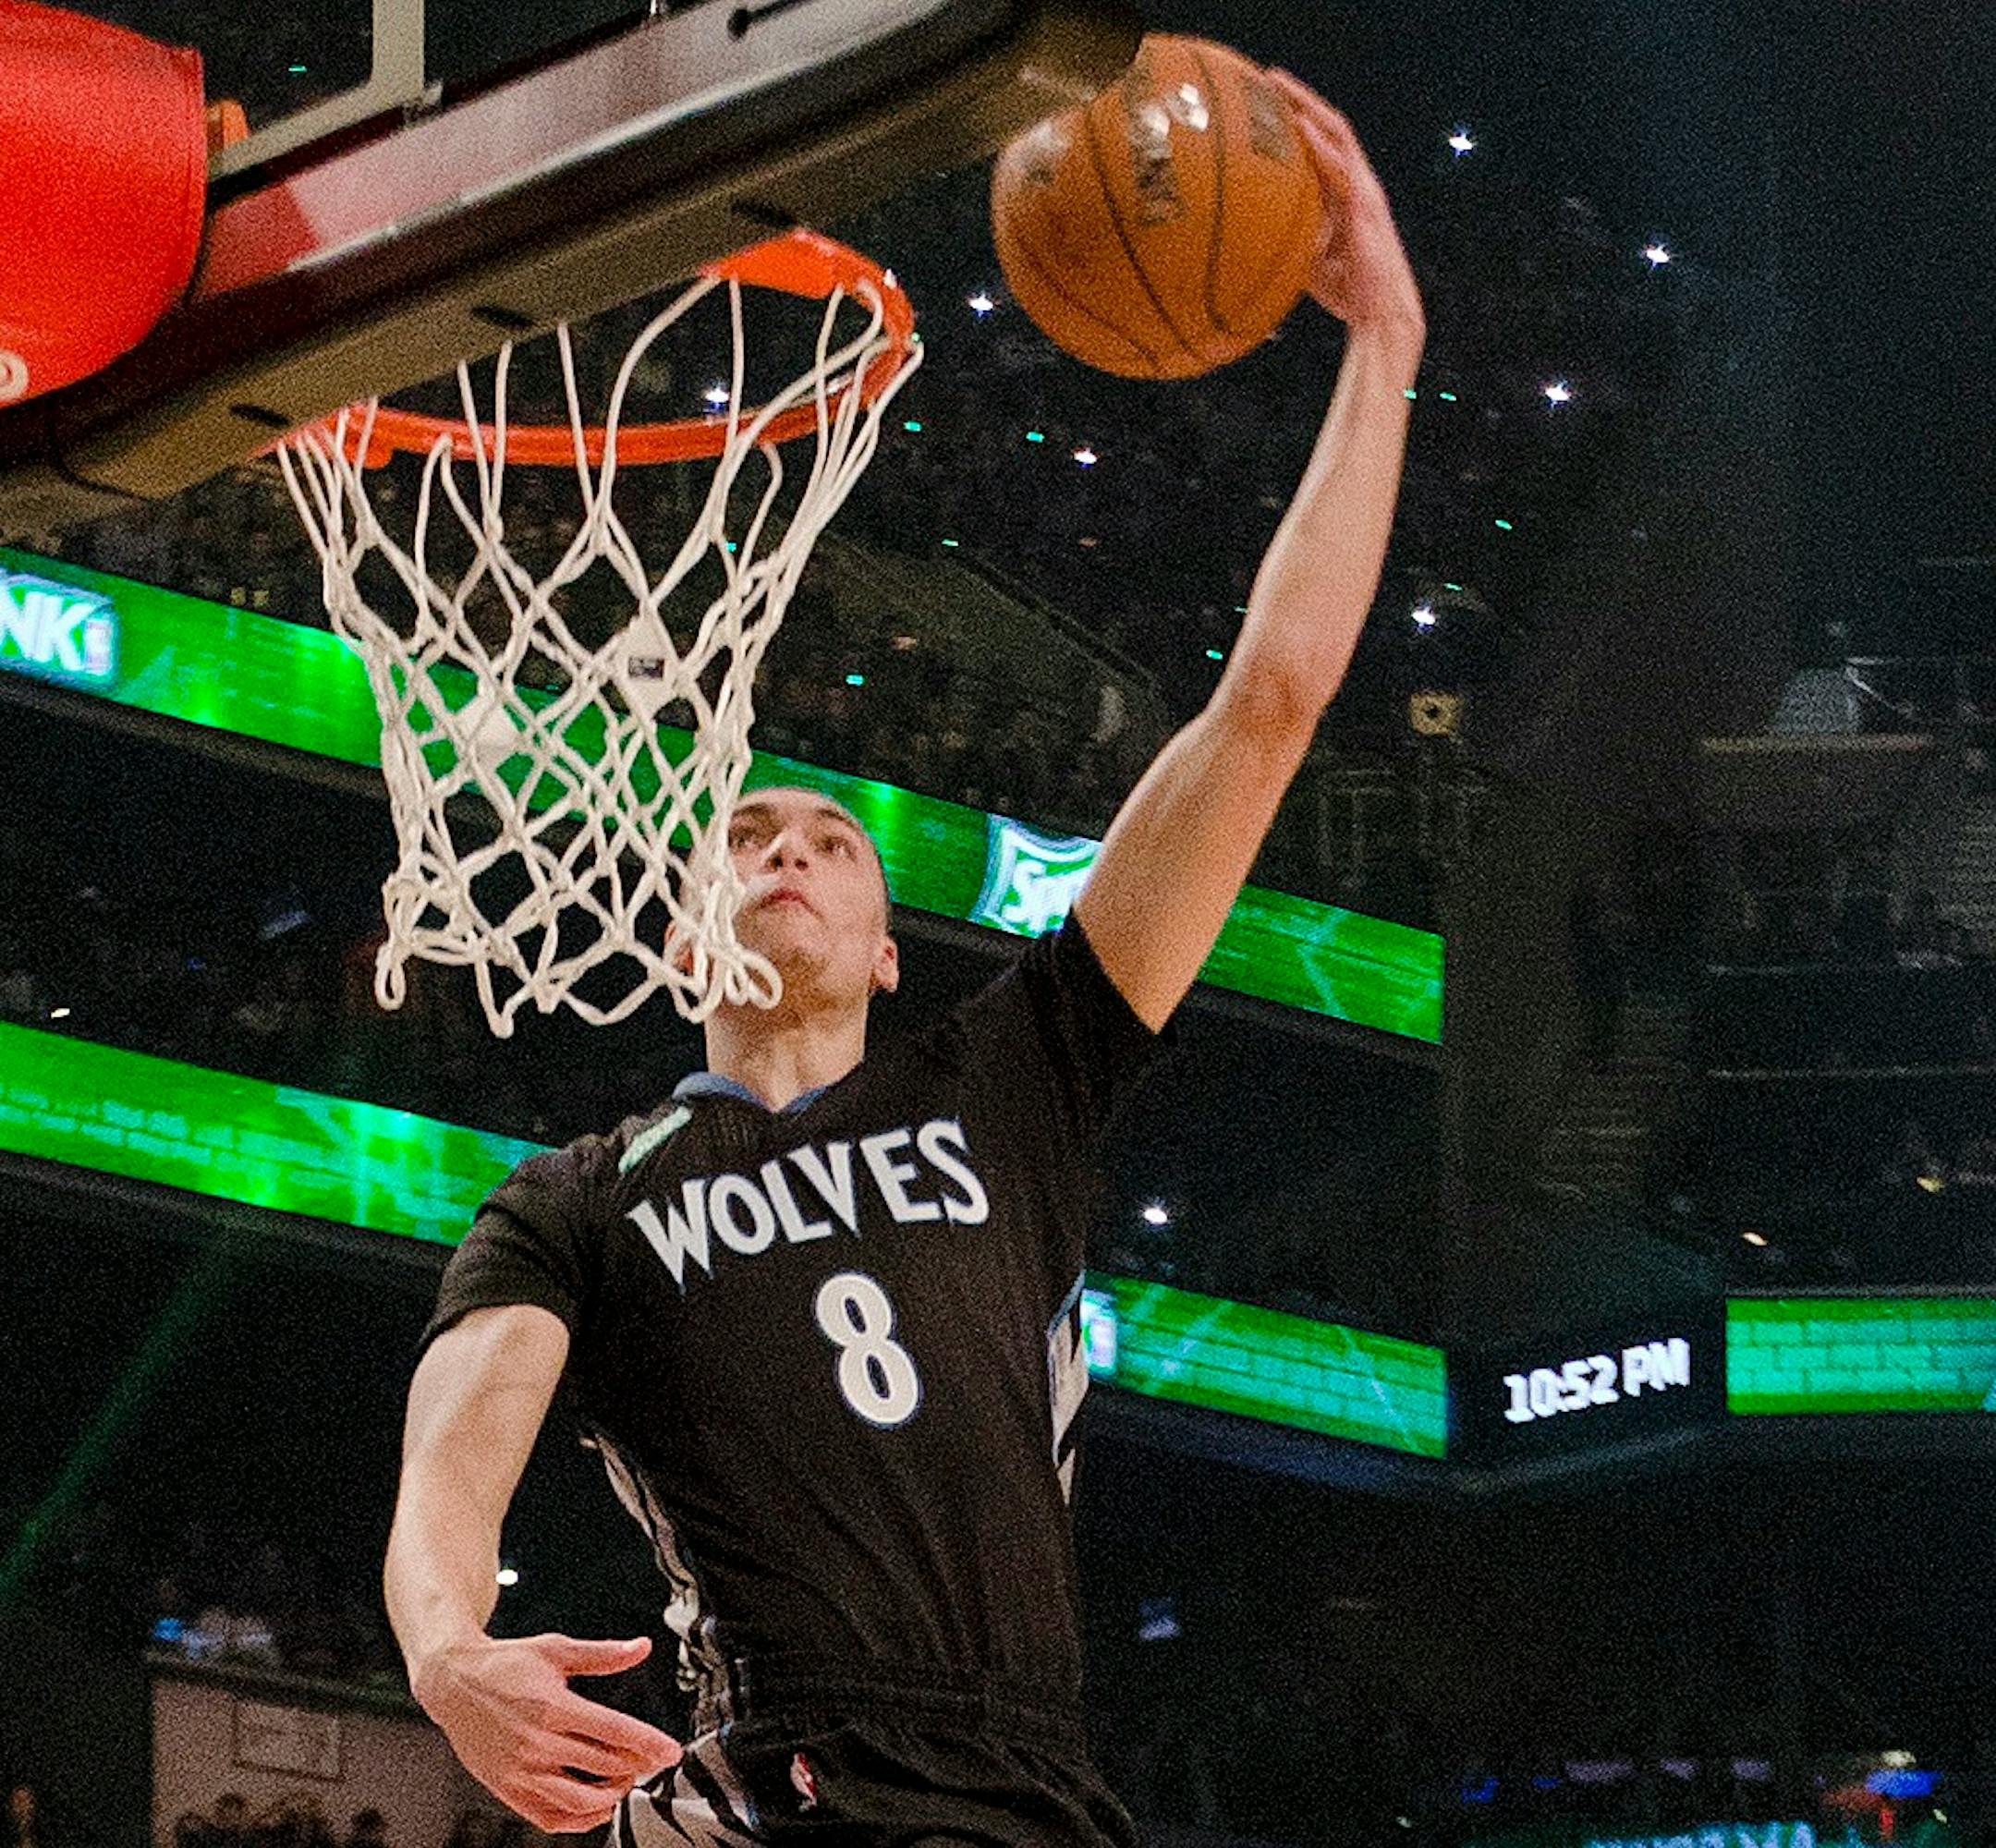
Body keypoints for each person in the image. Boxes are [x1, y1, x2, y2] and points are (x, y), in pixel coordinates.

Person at [383, 74, 1425, 1848]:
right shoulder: (578, 1200)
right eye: (746, 836)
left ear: (886, 952)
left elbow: (1266, 707)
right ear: (683, 926)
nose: (787, 851)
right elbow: (454, 1459)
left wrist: (1386, 341)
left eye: (831, 842)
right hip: (770, 1777)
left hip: (1031, 1783)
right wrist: (442, 1649)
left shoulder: (1014, 1077)